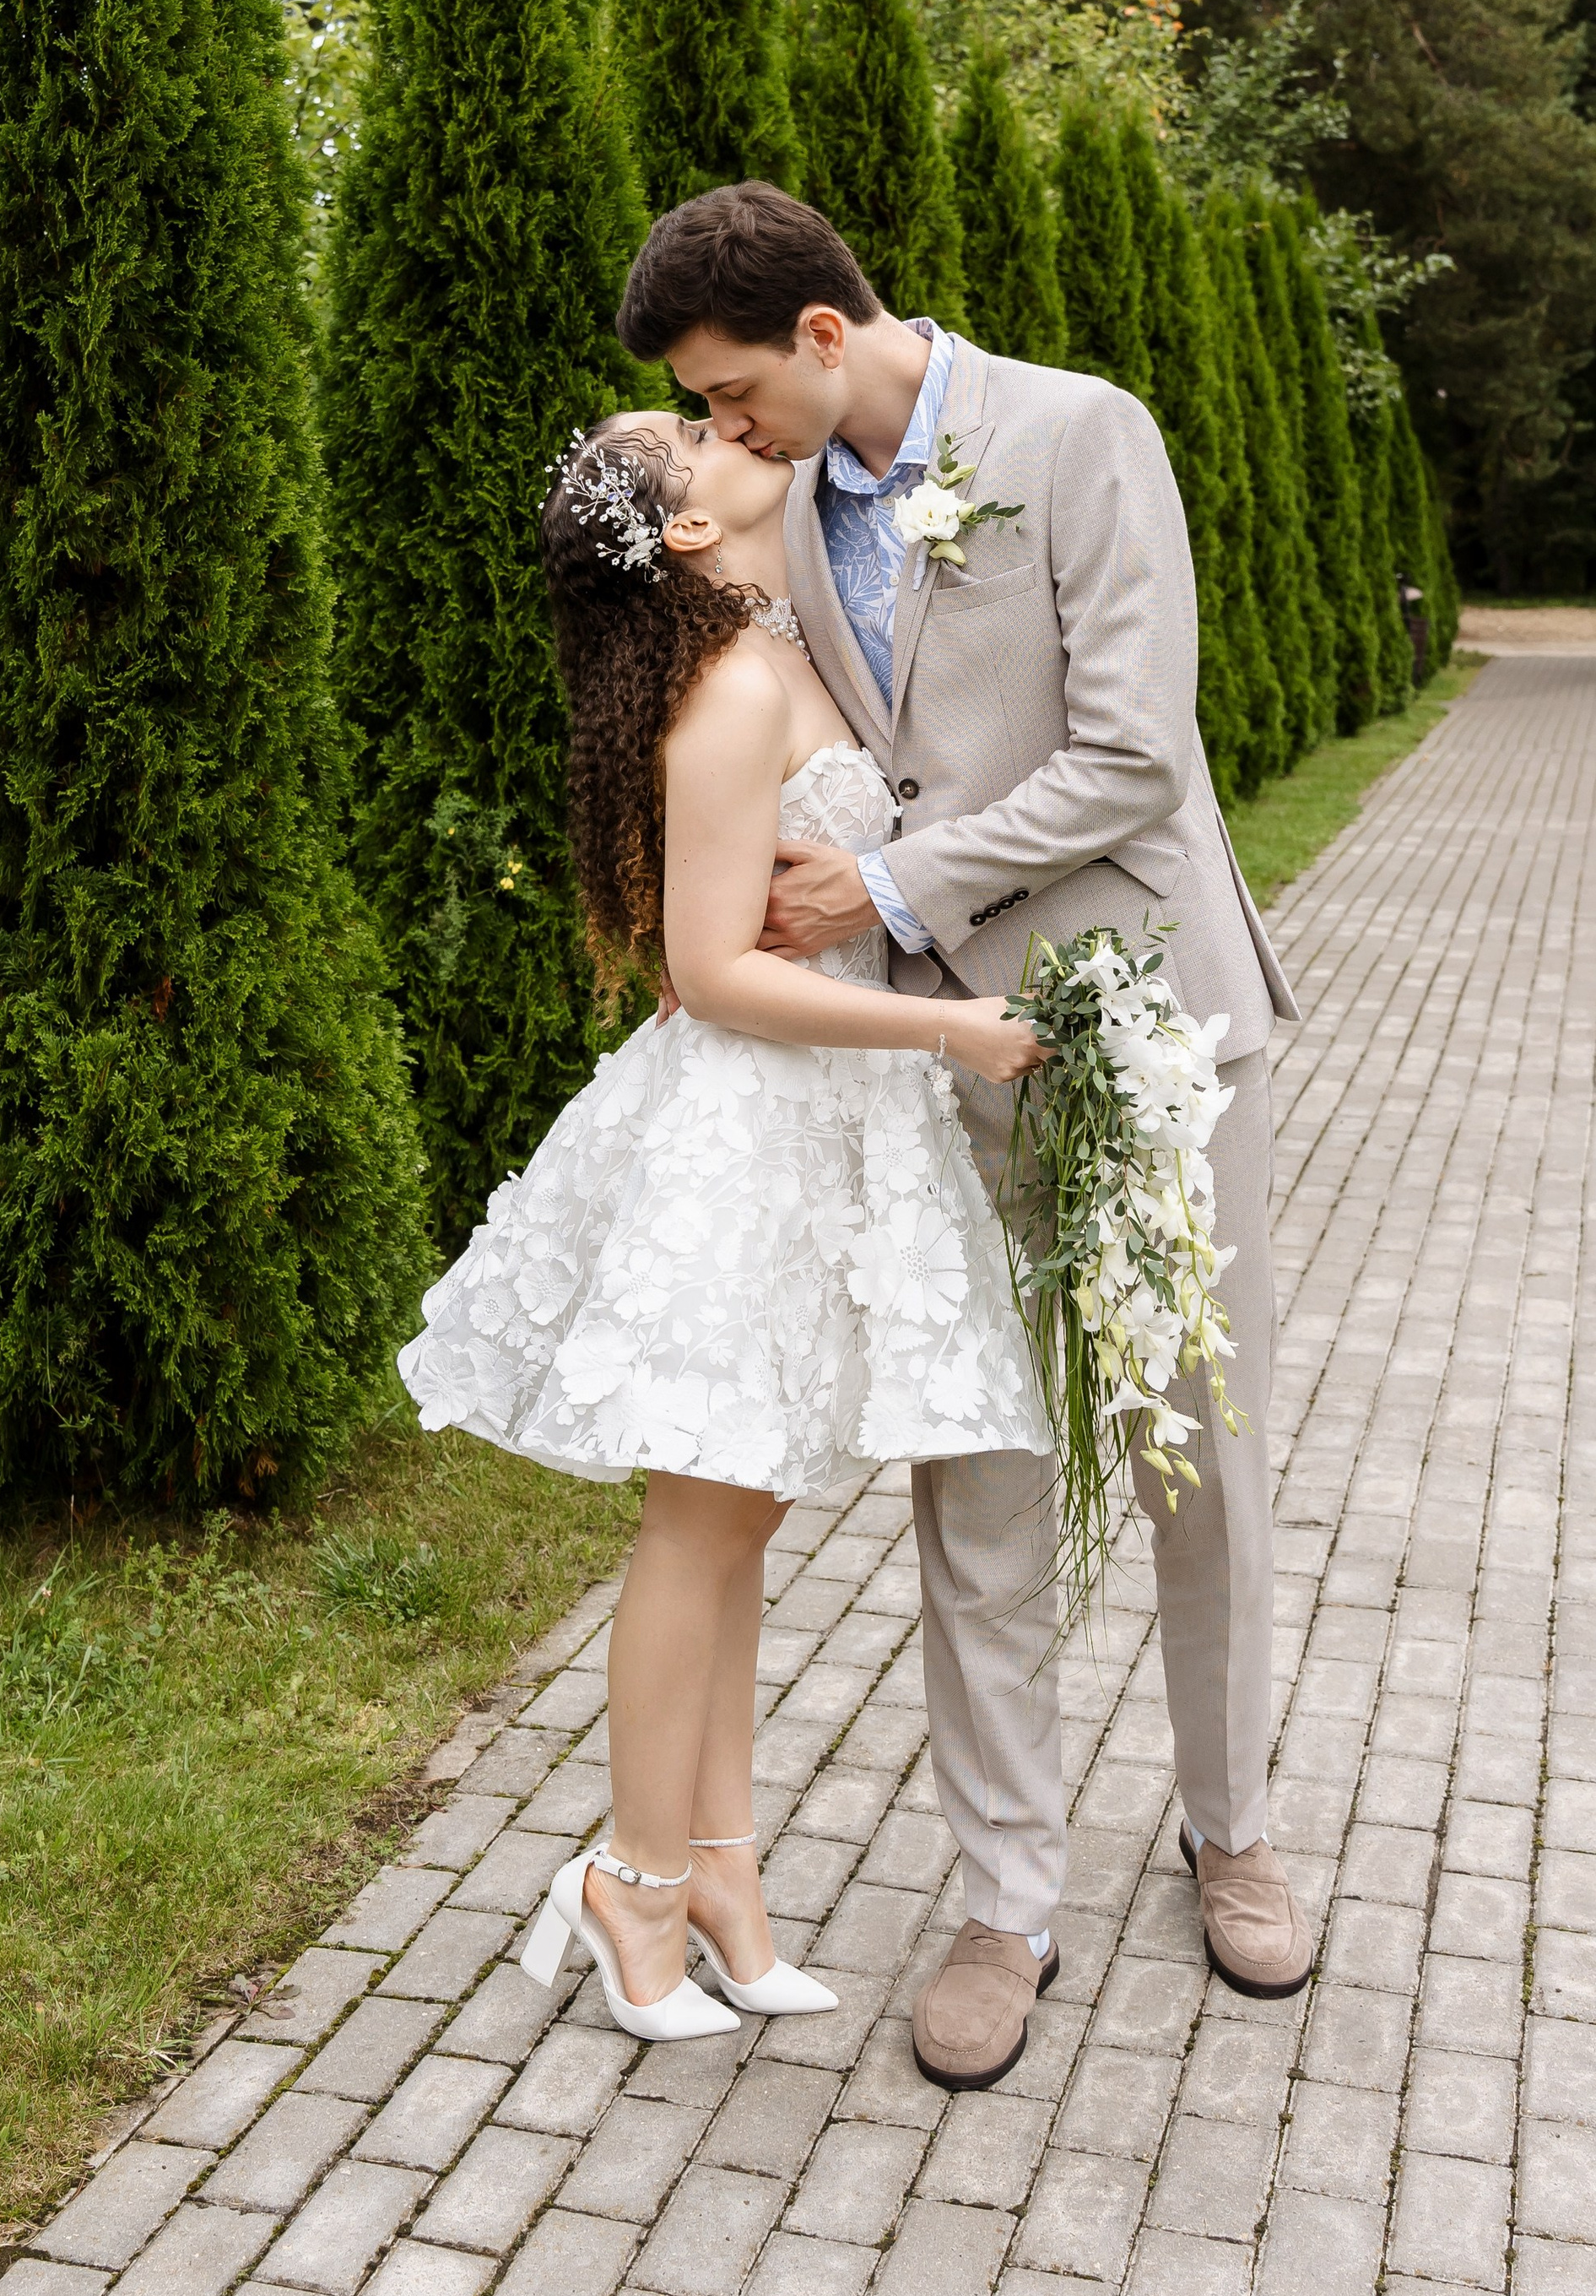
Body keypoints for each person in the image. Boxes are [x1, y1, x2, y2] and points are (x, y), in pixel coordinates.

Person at [616, 181, 1310, 2095]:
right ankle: (1004, 1898)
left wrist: (888, 886)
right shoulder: (762, 520)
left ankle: (1229, 1828)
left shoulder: (1077, 434)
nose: (725, 425)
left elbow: (1130, 754)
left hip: (1149, 1022)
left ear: (824, 334)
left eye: (734, 386)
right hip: (937, 1066)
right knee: (978, 1480)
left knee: (1198, 1454)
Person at [400, 411, 1049, 2046]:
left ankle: (722, 1876)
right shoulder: (734, 690)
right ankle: (626, 1877)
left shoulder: (783, 645)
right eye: (681, 436)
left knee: (742, 1517)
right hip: (748, 1133)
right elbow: (709, 971)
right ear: (684, 532)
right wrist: (951, 1031)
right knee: (697, 1527)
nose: (719, 423)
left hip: (814, 1121)